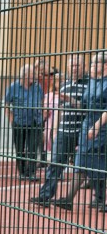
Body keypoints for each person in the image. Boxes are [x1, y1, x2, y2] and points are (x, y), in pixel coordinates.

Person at [50, 55, 107, 212]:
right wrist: (68, 98)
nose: (93, 66)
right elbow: (83, 106)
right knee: (81, 160)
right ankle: (69, 199)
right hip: (86, 126)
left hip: (101, 127)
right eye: (93, 63)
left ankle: (100, 199)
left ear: (106, 66)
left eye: (96, 63)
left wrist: (96, 126)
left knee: (98, 162)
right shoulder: (92, 82)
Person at [31, 58, 87, 207]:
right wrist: (55, 129)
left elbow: (86, 108)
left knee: (87, 165)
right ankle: (45, 196)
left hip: (82, 131)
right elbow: (60, 110)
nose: (74, 68)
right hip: (64, 130)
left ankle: (100, 198)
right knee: (55, 164)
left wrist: (70, 99)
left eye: (77, 65)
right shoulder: (64, 86)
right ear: (68, 67)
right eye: (72, 65)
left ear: (83, 67)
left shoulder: (89, 85)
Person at [4, 64, 44, 181]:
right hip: (19, 122)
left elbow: (42, 101)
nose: (35, 76)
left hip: (35, 122)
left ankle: (31, 173)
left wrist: (42, 114)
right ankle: (22, 172)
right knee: (20, 148)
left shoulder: (38, 87)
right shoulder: (13, 87)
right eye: (33, 74)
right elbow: (6, 104)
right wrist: (11, 118)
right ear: (25, 75)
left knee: (32, 148)